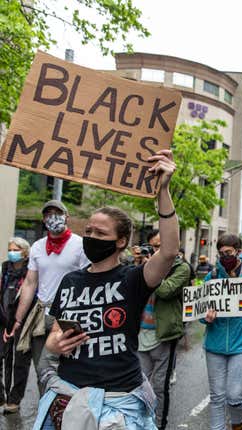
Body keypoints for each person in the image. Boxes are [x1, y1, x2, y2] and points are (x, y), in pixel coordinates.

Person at [31, 149, 179, 429]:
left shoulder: (133, 279)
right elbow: (54, 335)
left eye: (100, 234)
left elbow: (169, 251)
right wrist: (54, 344)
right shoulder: (71, 281)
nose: (91, 238)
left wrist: (163, 190)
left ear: (121, 241)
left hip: (118, 401)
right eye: (88, 231)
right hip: (70, 397)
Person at [3, 200, 89, 392]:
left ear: (67, 217)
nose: (53, 217)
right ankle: (47, 413)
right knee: (41, 369)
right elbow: (29, 283)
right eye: (48, 214)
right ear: (43, 219)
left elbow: (87, 281)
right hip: (41, 314)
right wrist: (17, 320)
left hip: (68, 315)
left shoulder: (80, 245)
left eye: (57, 213)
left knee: (64, 366)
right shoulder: (37, 247)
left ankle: (64, 410)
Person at [201, 233, 242, 430]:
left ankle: (237, 424)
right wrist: (206, 317)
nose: (224, 257)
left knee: (235, 395)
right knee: (217, 396)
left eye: (228, 252)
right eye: (221, 253)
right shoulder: (211, 277)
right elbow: (200, 309)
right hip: (215, 343)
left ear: (238, 252)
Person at [138, 229, 191, 429]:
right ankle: (140, 423)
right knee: (139, 385)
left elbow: (166, 290)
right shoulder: (143, 265)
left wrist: (149, 268)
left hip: (164, 334)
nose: (157, 250)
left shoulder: (181, 268)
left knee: (160, 387)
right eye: (153, 246)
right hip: (140, 333)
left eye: (161, 246)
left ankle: (159, 424)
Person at [0, 238, 32, 414]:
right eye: (10, 249)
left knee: (20, 361)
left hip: (22, 320)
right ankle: (0, 396)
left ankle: (14, 399)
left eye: (16, 250)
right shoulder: (5, 268)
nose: (12, 252)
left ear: (25, 252)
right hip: (3, 319)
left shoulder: (31, 270)